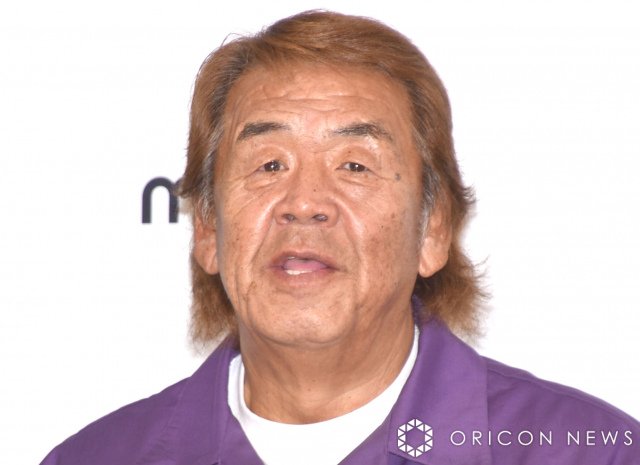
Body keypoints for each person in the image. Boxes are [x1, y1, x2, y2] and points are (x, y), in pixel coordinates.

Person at [41, 10, 639, 465]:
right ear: (208, 228)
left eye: (355, 165)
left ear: (433, 229)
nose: (304, 203)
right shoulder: (95, 458)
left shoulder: (592, 453)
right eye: (268, 165)